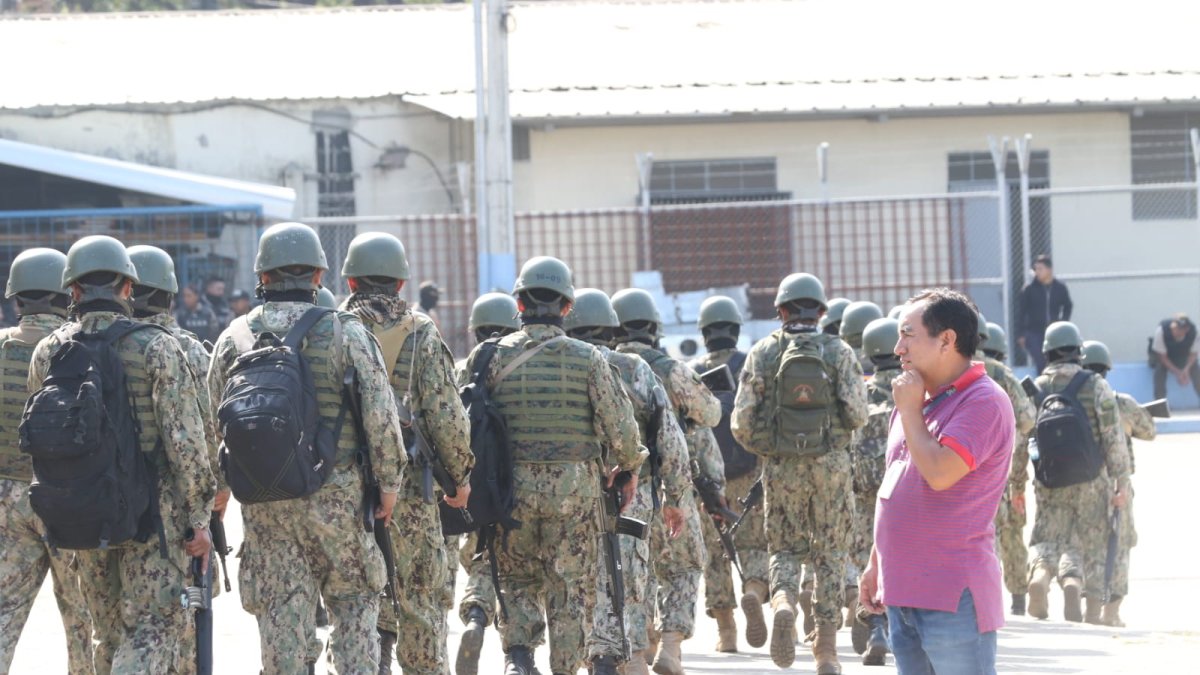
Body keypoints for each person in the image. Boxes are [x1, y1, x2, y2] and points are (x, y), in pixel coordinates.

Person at [208, 222, 407, 673]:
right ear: (319, 276)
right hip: (340, 501)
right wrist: (389, 489)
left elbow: (214, 430)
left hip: (267, 503)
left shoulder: (233, 338)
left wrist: (219, 495)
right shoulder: (347, 332)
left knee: (282, 623)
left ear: (263, 278)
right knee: (356, 607)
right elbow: (382, 418)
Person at [29, 235, 217, 674]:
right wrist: (200, 518)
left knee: (107, 631)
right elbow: (187, 444)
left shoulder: (48, 351)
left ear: (71, 291)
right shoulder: (157, 346)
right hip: (153, 518)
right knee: (154, 627)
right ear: (127, 288)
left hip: (81, 513)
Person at [460, 257, 644, 675]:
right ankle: (564, 668)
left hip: (510, 489)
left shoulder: (487, 356)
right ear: (566, 307)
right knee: (570, 586)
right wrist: (629, 467)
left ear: (519, 305)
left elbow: (463, 423)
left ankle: (519, 658)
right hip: (574, 491)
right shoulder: (589, 358)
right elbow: (621, 428)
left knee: (517, 578)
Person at [858, 288, 1014, 675]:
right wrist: (876, 561)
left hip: (952, 598)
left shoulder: (983, 401)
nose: (898, 348)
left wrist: (910, 410)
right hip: (902, 593)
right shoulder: (917, 402)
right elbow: (895, 484)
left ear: (947, 340)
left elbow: (941, 473)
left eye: (908, 334)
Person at [339, 231, 474, 675]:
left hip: (341, 491)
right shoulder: (421, 334)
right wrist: (460, 479)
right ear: (401, 284)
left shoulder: (329, 328)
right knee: (420, 599)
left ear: (351, 282)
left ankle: (370, 659)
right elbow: (447, 417)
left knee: (355, 597)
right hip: (412, 492)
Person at [732, 272, 867, 674]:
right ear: (822, 311)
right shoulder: (839, 351)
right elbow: (858, 413)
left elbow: (740, 422)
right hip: (831, 467)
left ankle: (785, 603)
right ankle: (825, 648)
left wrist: (772, 449)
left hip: (782, 468)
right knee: (829, 554)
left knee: (785, 548)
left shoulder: (762, 352)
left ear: (781, 311)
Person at [565, 288, 691, 675]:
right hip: (630, 495)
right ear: (610, 326)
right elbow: (669, 437)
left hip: (571, 492)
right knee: (629, 584)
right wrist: (676, 497)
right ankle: (632, 659)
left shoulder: (563, 363)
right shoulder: (634, 367)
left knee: (580, 586)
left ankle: (591, 658)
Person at [612, 287, 723, 675]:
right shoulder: (668, 367)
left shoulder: (604, 364)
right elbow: (710, 413)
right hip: (669, 486)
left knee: (630, 571)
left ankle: (637, 652)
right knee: (684, 566)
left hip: (621, 492)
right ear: (654, 327)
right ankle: (672, 645)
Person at [0, 248, 95, 674]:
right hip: (68, 501)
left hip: (6, 498)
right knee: (83, 620)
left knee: (4, 612)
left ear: (16, 298)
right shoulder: (83, 345)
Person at [1024, 322, 1130, 624]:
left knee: (1045, 537)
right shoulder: (1096, 384)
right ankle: (1089, 606)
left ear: (1047, 351)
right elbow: (1112, 436)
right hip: (1092, 479)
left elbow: (1022, 440)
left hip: (1049, 479)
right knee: (1092, 543)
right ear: (1078, 351)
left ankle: (1042, 575)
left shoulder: (1034, 387)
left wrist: (1018, 483)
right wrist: (1120, 481)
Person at [688, 295, 770, 654]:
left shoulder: (690, 371)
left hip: (708, 479)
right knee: (753, 543)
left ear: (704, 332)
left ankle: (727, 632)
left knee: (715, 552)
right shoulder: (749, 367)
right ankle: (753, 590)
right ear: (736, 329)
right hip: (749, 470)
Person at [454, 291, 521, 675]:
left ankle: (476, 616)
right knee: (522, 574)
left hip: (480, 484)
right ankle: (518, 652)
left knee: (483, 555)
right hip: (521, 480)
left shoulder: (468, 368)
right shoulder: (522, 360)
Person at [1081, 340, 1154, 627]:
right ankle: (1111, 612)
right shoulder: (1120, 401)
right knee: (1120, 546)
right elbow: (1149, 430)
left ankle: (1089, 607)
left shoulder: (1073, 398)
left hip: (1084, 483)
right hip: (1118, 482)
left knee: (1088, 544)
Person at [974, 312, 1036, 618]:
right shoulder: (1001, 374)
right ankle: (1017, 599)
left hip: (959, 469)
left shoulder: (947, 369)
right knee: (1009, 534)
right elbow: (1027, 419)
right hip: (1005, 473)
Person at [847, 317, 901, 666]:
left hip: (864, 494)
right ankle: (899, 629)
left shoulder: (860, 394)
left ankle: (874, 626)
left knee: (864, 561)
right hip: (902, 492)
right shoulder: (915, 389)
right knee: (898, 560)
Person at [1015, 254, 1072, 373]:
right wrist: (1021, 334)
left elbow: (1068, 305)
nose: (1037, 272)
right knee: (1041, 361)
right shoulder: (1029, 289)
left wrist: (1063, 323)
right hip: (1034, 332)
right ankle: (1042, 388)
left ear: (1049, 269)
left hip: (1054, 332)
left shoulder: (1060, 288)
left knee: (1056, 360)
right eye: (1036, 269)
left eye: (1040, 269)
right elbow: (1021, 312)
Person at [1149, 313, 1200, 402]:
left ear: (1186, 329)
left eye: (1179, 329)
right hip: (1164, 356)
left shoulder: (1194, 332)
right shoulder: (1161, 331)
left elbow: (1193, 354)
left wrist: (1186, 370)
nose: (1176, 330)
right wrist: (1178, 373)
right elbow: (1162, 357)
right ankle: (1160, 404)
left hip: (1182, 356)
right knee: (1159, 370)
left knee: (1196, 370)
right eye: (1175, 328)